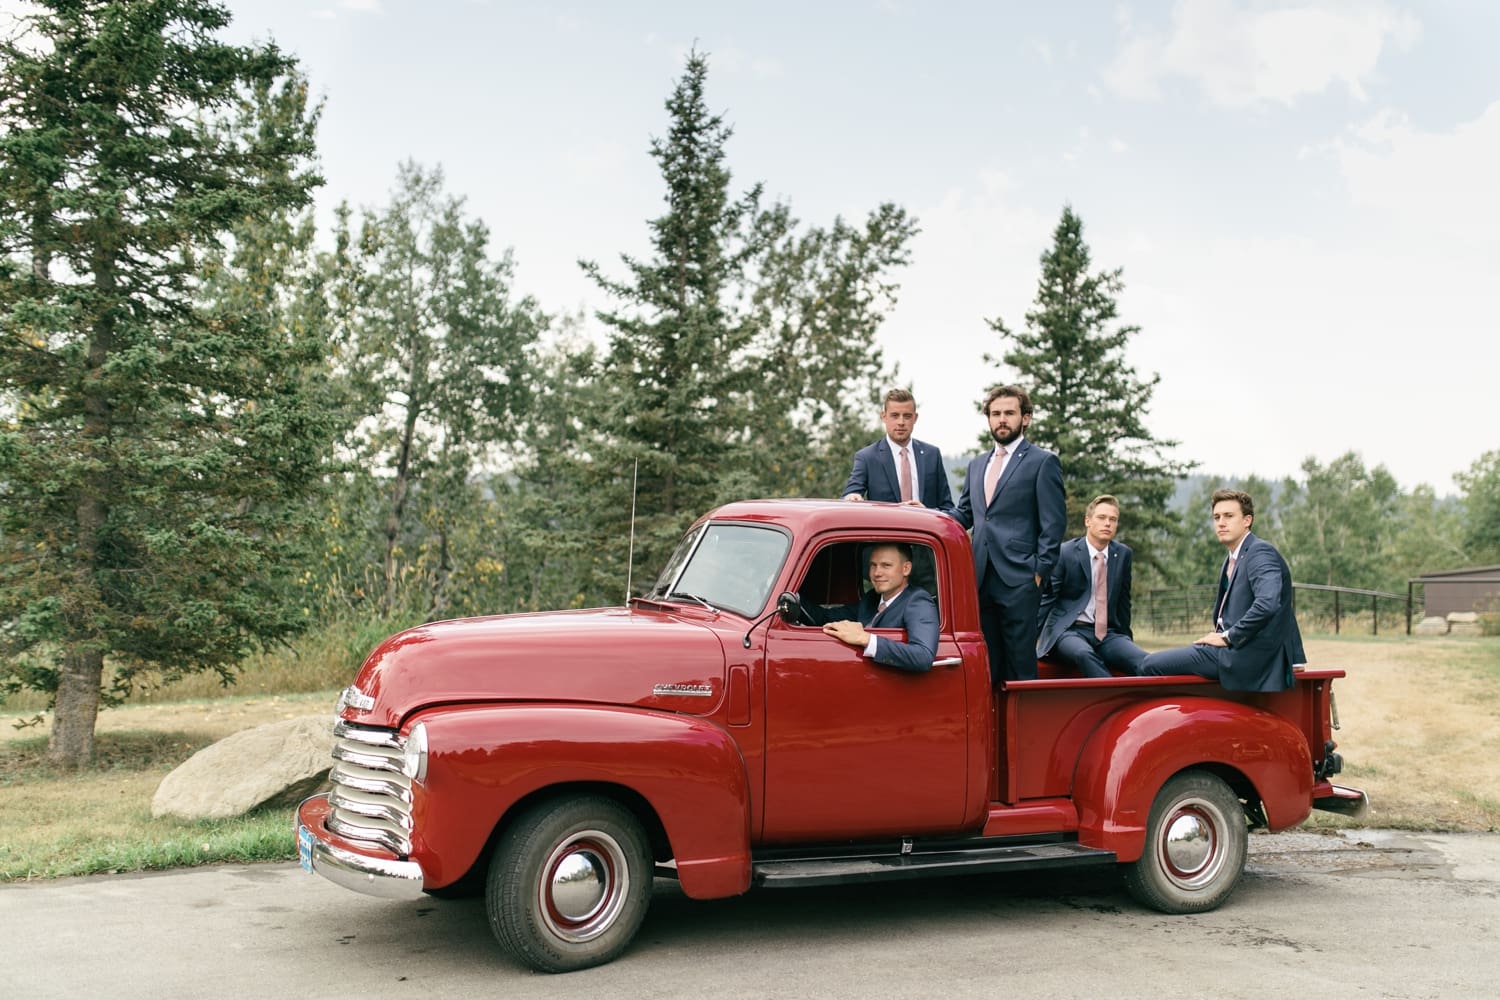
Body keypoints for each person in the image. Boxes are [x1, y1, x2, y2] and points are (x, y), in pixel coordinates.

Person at [950, 384, 1066, 684]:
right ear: (988, 418)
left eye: (1009, 413)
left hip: (1021, 579)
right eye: (995, 414)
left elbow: (1053, 525)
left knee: (1020, 667)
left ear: (1025, 418)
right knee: (988, 665)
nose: (1002, 419)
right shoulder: (977, 465)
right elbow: (965, 514)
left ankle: (1024, 731)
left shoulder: (1042, 462)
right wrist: (924, 515)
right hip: (980, 577)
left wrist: (1039, 573)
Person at [1140, 489, 1305, 691]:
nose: (1221, 522)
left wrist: (1228, 637)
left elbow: (1268, 603)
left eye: (1229, 516)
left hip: (1244, 656)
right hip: (1233, 650)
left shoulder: (1259, 552)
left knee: (1149, 665)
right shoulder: (1233, 557)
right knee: (1146, 660)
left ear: (1247, 521)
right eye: (1216, 517)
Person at [1036, 494, 1148, 677]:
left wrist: (1126, 640)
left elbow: (1123, 602)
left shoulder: (1123, 554)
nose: (1108, 524)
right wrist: (1028, 641)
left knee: (1141, 659)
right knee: (1084, 654)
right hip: (1069, 631)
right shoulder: (1065, 553)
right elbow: (1047, 600)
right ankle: (1115, 696)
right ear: (1087, 521)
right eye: (1102, 518)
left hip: (1108, 634)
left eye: (1113, 519)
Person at [797, 542, 938, 672]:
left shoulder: (917, 601)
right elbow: (824, 617)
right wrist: (794, 600)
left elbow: (923, 656)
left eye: (886, 565)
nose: (877, 573)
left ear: (906, 568)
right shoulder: (871, 599)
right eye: (873, 565)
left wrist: (865, 639)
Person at [842, 389, 956, 513]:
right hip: (886, 531)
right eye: (895, 416)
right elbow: (850, 496)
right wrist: (852, 497)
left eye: (907, 416)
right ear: (883, 417)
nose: (901, 422)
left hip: (925, 531)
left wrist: (927, 512)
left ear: (915, 418)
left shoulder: (932, 455)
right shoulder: (867, 457)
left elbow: (947, 508)